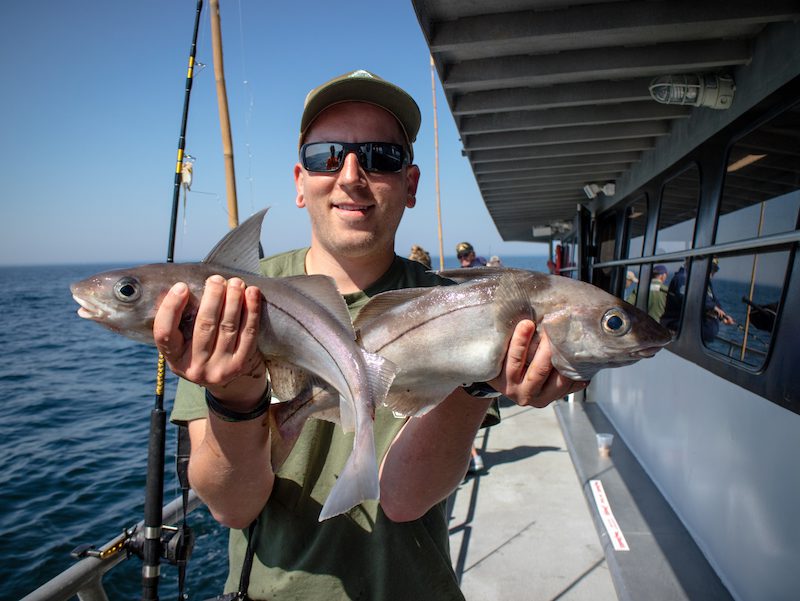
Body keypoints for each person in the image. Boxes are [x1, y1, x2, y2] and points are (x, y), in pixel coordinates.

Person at [153, 69, 583, 601]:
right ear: (299, 181)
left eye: (381, 157)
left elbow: (403, 499)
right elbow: (232, 507)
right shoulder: (230, 306)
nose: (352, 175)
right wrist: (233, 399)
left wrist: (478, 383)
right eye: (326, 156)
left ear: (411, 184)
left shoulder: (467, 308)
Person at [703, 257, 735, 343]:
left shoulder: (708, 285)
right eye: (711, 269)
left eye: (715, 270)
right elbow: (701, 299)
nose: (713, 272)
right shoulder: (700, 283)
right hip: (699, 334)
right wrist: (714, 308)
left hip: (705, 338)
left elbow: (715, 302)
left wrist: (724, 317)